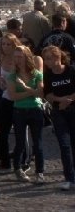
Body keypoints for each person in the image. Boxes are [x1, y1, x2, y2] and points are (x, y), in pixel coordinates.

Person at [8, 45, 45, 183]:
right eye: (15, 56)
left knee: (38, 142)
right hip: (19, 110)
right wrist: (31, 91)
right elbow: (13, 96)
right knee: (20, 143)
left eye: (20, 56)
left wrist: (24, 88)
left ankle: (40, 172)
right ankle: (18, 168)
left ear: (26, 57)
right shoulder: (13, 76)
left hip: (35, 109)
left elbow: (41, 94)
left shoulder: (36, 74)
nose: (17, 59)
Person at [42, 45, 75, 190]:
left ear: (58, 57)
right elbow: (47, 94)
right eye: (46, 59)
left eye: (49, 58)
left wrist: (68, 100)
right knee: (64, 144)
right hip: (58, 112)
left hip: (73, 109)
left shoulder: (71, 70)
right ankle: (69, 177)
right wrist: (60, 101)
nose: (47, 62)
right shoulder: (48, 74)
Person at [0, 34, 20, 171]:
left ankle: (21, 159)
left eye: (8, 44)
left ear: (15, 44)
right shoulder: (0, 58)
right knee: (2, 131)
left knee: (20, 132)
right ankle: (3, 161)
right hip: (6, 97)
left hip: (20, 99)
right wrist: (2, 83)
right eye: (3, 44)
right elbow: (0, 81)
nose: (5, 47)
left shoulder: (19, 58)